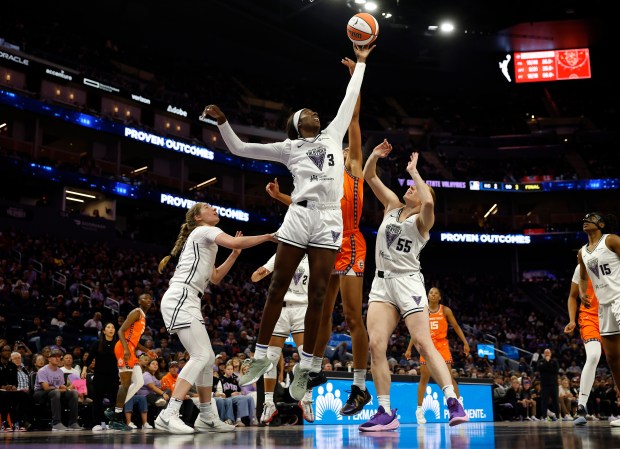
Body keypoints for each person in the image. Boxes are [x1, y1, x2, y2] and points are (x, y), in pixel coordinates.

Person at [202, 44, 375, 402]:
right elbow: (239, 149)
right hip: (298, 214)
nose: (314, 112)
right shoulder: (287, 147)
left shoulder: (332, 134)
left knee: (318, 295)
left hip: (328, 218)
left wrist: (360, 62)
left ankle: (307, 367)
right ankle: (262, 355)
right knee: (278, 284)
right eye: (306, 112)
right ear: (298, 125)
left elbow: (351, 95)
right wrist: (223, 123)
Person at [264, 57, 371, 416]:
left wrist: (354, 77)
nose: (337, 150)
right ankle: (311, 368)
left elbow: (352, 121)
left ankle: (359, 386)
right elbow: (305, 201)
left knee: (353, 317)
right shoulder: (319, 163)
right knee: (321, 310)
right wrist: (281, 198)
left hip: (350, 240)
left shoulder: (353, 166)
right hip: (323, 235)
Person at [359, 146, 468, 431]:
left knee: (422, 342)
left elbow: (430, 204)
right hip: (382, 283)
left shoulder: (423, 221)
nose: (410, 188)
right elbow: (368, 174)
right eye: (410, 185)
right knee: (375, 344)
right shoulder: (392, 205)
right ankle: (384, 411)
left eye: (415, 189)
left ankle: (453, 402)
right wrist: (373, 155)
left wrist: (415, 172)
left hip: (408, 283)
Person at [155, 202, 275, 434]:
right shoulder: (203, 231)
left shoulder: (205, 241)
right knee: (201, 355)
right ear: (198, 218)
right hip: (181, 295)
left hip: (190, 299)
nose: (214, 210)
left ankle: (207, 416)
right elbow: (235, 239)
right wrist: (268, 236)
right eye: (208, 208)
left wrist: (234, 254)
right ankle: (169, 413)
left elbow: (216, 277)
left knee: (207, 358)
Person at [250, 252, 314, 423]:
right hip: (280, 308)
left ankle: (306, 398)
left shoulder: (315, 255)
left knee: (307, 357)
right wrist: (263, 271)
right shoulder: (281, 254)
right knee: (270, 358)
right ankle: (269, 403)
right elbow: (255, 278)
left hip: (303, 309)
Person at [577, 212, 620, 427]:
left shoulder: (611, 240)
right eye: (584, 218)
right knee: (613, 359)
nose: (586, 220)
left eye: (591, 218)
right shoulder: (582, 252)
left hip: (619, 298)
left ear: (601, 224)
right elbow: (583, 277)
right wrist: (584, 292)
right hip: (603, 307)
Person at [404, 286, 470, 424]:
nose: (433, 295)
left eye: (435, 293)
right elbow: (415, 331)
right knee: (424, 377)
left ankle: (459, 405)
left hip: (442, 346)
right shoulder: (422, 310)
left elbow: (456, 326)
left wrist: (465, 342)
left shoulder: (445, 310)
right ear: (427, 296)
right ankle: (419, 410)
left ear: (439, 297)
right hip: (427, 345)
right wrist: (409, 348)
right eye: (431, 293)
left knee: (449, 377)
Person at [106, 293, 158, 430]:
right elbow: (121, 331)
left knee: (139, 382)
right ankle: (116, 417)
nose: (148, 300)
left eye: (150, 298)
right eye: (145, 298)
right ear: (139, 301)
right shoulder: (136, 312)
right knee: (125, 383)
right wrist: (126, 349)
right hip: (124, 348)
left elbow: (134, 341)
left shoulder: (143, 317)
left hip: (131, 348)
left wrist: (147, 351)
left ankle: (114, 409)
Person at [564, 260, 602, 426]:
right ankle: (581, 407)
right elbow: (572, 296)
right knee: (593, 355)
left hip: (612, 314)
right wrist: (572, 320)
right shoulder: (581, 267)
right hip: (589, 317)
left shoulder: (615, 262)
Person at [33, 348, 84, 431]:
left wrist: (64, 387)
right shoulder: (42, 370)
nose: (57, 358)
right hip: (40, 393)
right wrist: (59, 388)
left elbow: (60, 386)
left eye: (59, 357)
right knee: (55, 392)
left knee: (73, 393)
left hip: (55, 391)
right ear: (49, 359)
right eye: (54, 357)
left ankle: (73, 422)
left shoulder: (60, 371)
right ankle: (56, 423)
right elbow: (46, 387)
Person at [81, 321, 119, 431]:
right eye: (108, 327)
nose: (111, 329)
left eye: (113, 327)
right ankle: (98, 423)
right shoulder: (97, 343)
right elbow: (90, 358)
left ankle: (113, 423)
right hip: (99, 375)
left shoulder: (118, 344)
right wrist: (84, 369)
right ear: (104, 330)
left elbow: (123, 359)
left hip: (113, 375)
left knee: (114, 400)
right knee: (98, 400)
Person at [537, 348, 559, 421]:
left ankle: (557, 416)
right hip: (544, 385)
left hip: (553, 385)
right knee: (544, 401)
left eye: (548, 352)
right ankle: (544, 417)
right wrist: (547, 362)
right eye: (545, 353)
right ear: (544, 354)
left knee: (555, 400)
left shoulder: (554, 361)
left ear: (551, 354)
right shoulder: (540, 361)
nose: (547, 354)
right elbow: (540, 369)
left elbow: (555, 371)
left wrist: (547, 366)